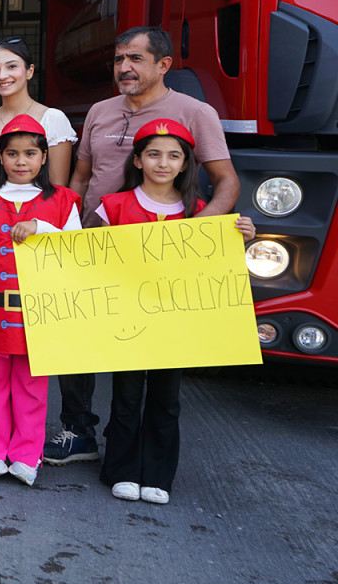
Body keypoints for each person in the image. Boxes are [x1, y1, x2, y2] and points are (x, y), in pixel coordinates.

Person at [50, 26, 241, 466]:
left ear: (164, 64)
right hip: (93, 245)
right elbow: (81, 178)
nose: (124, 67)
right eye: (119, 59)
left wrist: (192, 235)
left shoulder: (195, 112)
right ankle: (78, 432)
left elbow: (227, 182)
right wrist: (64, 230)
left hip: (159, 257)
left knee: (144, 354)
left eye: (135, 59)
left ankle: (137, 449)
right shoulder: (100, 111)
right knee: (76, 340)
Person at [89, 119, 256, 505]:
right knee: (126, 396)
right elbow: (91, 259)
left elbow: (214, 267)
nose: (163, 163)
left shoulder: (200, 212)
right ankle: (121, 471)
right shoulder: (113, 206)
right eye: (153, 154)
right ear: (137, 160)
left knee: (167, 398)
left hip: (176, 325)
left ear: (185, 164)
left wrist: (240, 237)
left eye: (173, 156)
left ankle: (158, 476)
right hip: (128, 320)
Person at [0, 116, 83, 487]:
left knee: (31, 385)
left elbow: (76, 251)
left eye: (30, 153)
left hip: (38, 310)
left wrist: (42, 228)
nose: (21, 161)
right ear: (0, 158)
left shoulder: (62, 201)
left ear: (44, 157)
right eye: (12, 153)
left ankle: (27, 454)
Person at [0, 38, 77, 186]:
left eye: (11, 66)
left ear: (29, 71)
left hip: (33, 201)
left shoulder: (52, 119)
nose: (2, 76)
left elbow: (58, 188)